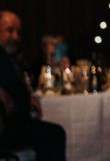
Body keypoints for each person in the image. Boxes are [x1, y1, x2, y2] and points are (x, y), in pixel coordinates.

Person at [0, 10, 66, 160]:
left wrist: (27, 96)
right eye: (10, 30)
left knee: (52, 133)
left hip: (17, 120)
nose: (15, 37)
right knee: (54, 134)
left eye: (18, 32)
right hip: (7, 127)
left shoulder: (9, 55)